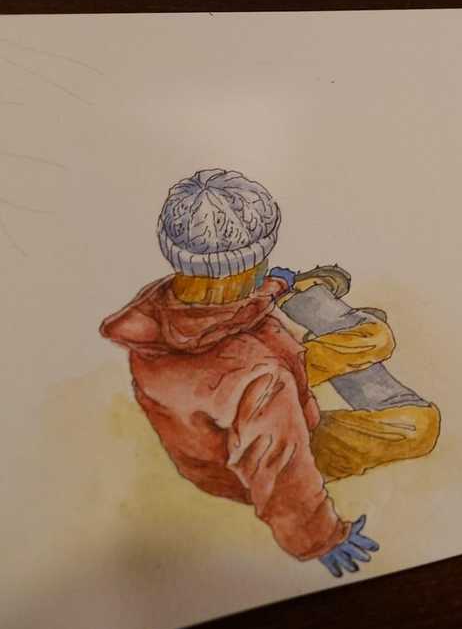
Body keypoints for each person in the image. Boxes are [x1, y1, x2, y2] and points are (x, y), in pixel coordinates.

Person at [99, 169, 440, 577]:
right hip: (247, 462)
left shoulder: (162, 307)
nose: (264, 266)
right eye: (259, 264)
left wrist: (273, 286)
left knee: (372, 337)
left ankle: (329, 318)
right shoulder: (263, 382)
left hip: (224, 430)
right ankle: (330, 318)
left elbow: (227, 312)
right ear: (244, 270)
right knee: (420, 423)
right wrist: (320, 537)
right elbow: (281, 468)